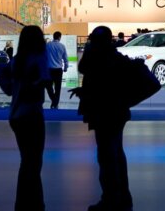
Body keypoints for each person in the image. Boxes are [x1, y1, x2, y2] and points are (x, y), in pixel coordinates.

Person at [72, 26, 134, 211]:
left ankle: (110, 199)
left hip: (103, 113)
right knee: (117, 153)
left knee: (106, 156)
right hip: (118, 112)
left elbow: (83, 68)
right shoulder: (116, 57)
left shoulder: (97, 57)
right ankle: (122, 197)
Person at [9, 25, 50, 211]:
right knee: (34, 163)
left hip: (16, 114)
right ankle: (35, 204)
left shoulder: (17, 60)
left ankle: (23, 204)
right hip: (32, 114)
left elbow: (6, 83)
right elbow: (43, 81)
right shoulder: (39, 58)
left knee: (26, 161)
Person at [46, 31, 69, 108]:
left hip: (49, 70)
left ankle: (53, 100)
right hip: (58, 70)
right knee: (58, 88)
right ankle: (55, 103)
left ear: (53, 36)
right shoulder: (62, 46)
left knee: (49, 87)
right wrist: (65, 68)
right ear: (59, 37)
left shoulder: (47, 45)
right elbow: (65, 59)